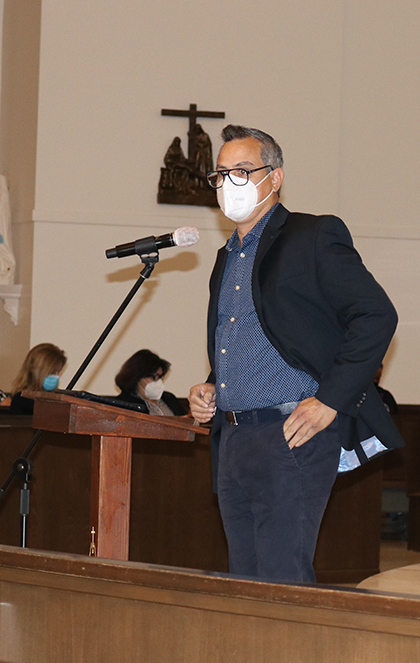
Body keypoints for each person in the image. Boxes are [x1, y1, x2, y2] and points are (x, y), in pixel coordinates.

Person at [188, 124, 405, 584]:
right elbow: (251, 334)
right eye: (221, 174)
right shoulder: (227, 255)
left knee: (282, 580)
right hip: (233, 440)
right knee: (245, 581)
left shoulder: (313, 235)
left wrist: (329, 400)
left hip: (291, 434)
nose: (230, 184)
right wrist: (213, 383)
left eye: (243, 170)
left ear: (275, 177)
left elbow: (376, 316)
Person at [115, 349, 187, 416]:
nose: (158, 381)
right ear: (137, 377)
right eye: (153, 377)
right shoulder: (123, 404)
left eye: (160, 377)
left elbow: (186, 422)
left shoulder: (169, 398)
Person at [10, 343, 67, 414]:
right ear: (37, 371)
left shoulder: (55, 399)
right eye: (52, 372)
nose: (56, 376)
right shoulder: (21, 400)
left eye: (58, 371)